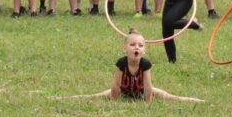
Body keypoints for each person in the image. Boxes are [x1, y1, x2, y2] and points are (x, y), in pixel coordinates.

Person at [67, 29, 204, 103]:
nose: (136, 48)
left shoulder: (145, 64)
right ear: (125, 48)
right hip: (124, 91)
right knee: (97, 96)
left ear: (144, 50)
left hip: (140, 91)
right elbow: (116, 85)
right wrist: (114, 101)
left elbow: (148, 86)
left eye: (140, 45)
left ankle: (191, 100)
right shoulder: (121, 63)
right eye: (132, 45)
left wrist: (148, 103)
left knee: (166, 96)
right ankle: (66, 98)